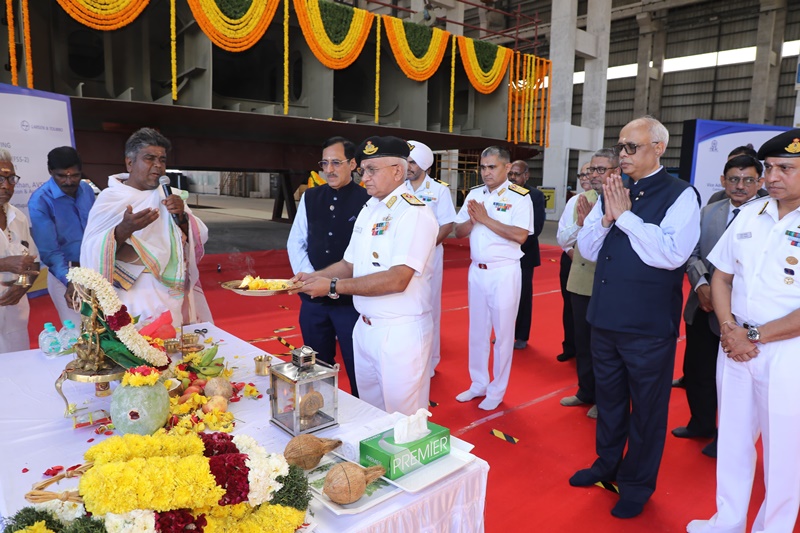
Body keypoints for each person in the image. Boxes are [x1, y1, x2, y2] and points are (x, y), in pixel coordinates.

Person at [571, 116, 701, 519]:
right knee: (609, 401)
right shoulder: (615, 189)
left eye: (632, 147)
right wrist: (606, 218)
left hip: (647, 326)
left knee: (647, 409)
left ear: (658, 148)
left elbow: (672, 255)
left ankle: (637, 484)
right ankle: (606, 463)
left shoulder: (681, 194)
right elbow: (588, 249)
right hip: (605, 318)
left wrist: (625, 217)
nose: (622, 155)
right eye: (621, 146)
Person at [687, 129, 800, 533]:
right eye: (769, 167)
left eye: (785, 168)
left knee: (783, 452)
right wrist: (729, 327)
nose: (772, 177)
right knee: (733, 441)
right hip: (735, 344)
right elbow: (721, 276)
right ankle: (728, 520)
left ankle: (774, 527)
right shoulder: (752, 213)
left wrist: (752, 336)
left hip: (787, 353)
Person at [291, 136, 438, 415]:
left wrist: (331, 286)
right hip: (365, 328)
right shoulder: (370, 208)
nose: (365, 177)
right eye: (363, 170)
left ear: (397, 171)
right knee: (370, 414)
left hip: (398, 332)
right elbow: (349, 263)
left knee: (403, 421)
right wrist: (311, 279)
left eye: (372, 170)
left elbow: (398, 279)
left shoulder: (413, 213)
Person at [672, 155, 764, 459]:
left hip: (742, 315)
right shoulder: (709, 211)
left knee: (734, 379)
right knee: (697, 369)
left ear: (760, 183)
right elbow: (692, 252)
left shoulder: (769, 216)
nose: (740, 186)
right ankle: (700, 424)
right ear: (723, 181)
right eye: (734, 179)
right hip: (702, 305)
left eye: (748, 180)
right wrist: (702, 286)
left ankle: (728, 438)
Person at [81, 128, 212, 328]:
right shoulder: (110, 199)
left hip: (169, 292)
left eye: (162, 160)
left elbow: (200, 235)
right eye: (149, 158)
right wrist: (123, 230)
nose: (158, 165)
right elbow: (90, 248)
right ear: (130, 163)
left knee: (171, 343)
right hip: (129, 293)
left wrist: (182, 218)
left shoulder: (171, 196)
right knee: (135, 343)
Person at [287, 136, 369, 397]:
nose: (329, 169)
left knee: (358, 365)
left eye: (336, 162)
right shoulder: (311, 197)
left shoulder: (367, 199)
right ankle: (319, 408)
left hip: (350, 301)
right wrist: (311, 281)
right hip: (313, 301)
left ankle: (362, 410)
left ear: (353, 164)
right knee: (315, 364)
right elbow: (296, 241)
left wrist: (331, 284)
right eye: (324, 163)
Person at [453, 146, 534, 411]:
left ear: (507, 168)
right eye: (483, 167)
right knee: (477, 332)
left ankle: (497, 390)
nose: (486, 172)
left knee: (502, 335)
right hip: (477, 271)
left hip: (504, 271)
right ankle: (478, 383)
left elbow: (520, 235)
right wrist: (472, 220)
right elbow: (458, 231)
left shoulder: (519, 197)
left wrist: (485, 219)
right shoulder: (475, 194)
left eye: (492, 167)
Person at [557, 149, 619, 419]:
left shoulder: (625, 200)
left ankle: (605, 399)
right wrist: (582, 226)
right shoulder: (579, 200)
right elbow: (563, 238)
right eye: (591, 170)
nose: (593, 175)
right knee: (583, 341)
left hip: (611, 284)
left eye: (600, 170)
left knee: (605, 347)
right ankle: (585, 391)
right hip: (581, 279)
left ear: (617, 172)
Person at [29, 147, 95, 325]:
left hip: (95, 268)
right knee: (79, 331)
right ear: (50, 171)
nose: (69, 181)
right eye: (62, 176)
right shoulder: (40, 201)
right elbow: (50, 252)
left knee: (107, 330)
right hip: (66, 275)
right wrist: (71, 281)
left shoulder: (86, 190)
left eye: (75, 175)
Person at [406, 140, 456, 376]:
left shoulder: (439, 190)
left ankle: (431, 361)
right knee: (406, 306)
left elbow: (447, 224)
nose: (408, 166)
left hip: (430, 257)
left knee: (430, 307)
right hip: (402, 257)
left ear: (425, 165)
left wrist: (425, 246)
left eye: (413, 162)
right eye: (406, 161)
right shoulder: (399, 188)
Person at [0, 150, 39, 353]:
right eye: (0, 179)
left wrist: (22, 286)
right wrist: (4, 264)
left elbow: (34, 263)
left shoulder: (18, 218)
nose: (6, 186)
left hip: (15, 312)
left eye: (11, 178)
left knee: (18, 365)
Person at [507, 160, 545, 350]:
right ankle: (505, 333)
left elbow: (535, 228)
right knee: (504, 298)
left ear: (526, 176)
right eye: (510, 174)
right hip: (502, 256)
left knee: (522, 297)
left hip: (524, 255)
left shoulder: (535, 196)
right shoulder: (503, 194)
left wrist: (513, 244)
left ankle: (521, 335)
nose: (513, 178)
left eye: (517, 174)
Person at [555, 163, 590, 362]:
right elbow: (562, 232)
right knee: (569, 306)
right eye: (581, 174)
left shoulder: (605, 199)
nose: (584, 178)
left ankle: (588, 353)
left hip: (593, 263)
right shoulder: (574, 201)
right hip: (571, 259)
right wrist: (570, 252)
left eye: (588, 173)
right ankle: (570, 346)